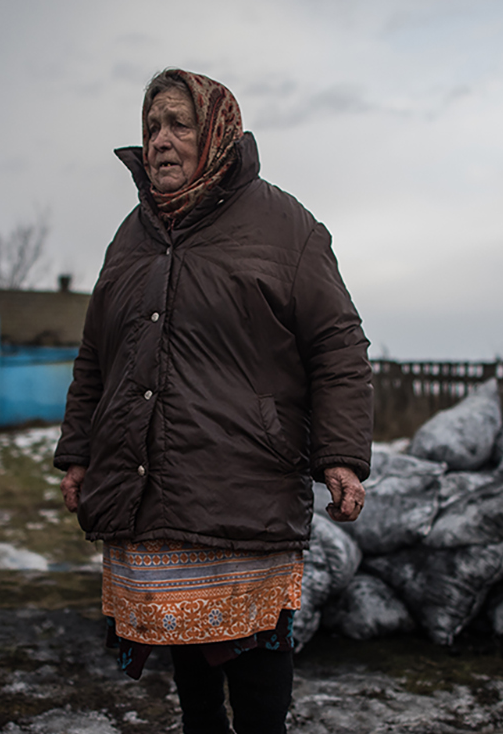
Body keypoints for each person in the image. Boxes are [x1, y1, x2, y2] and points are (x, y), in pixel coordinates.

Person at [54, 68, 373, 733]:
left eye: (178, 124)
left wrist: (341, 454)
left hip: (243, 485)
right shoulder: (131, 235)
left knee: (255, 666)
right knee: (187, 658)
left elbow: (337, 343)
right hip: (153, 488)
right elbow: (96, 356)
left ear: (216, 131)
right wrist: (78, 452)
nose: (160, 141)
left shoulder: (286, 228)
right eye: (151, 127)